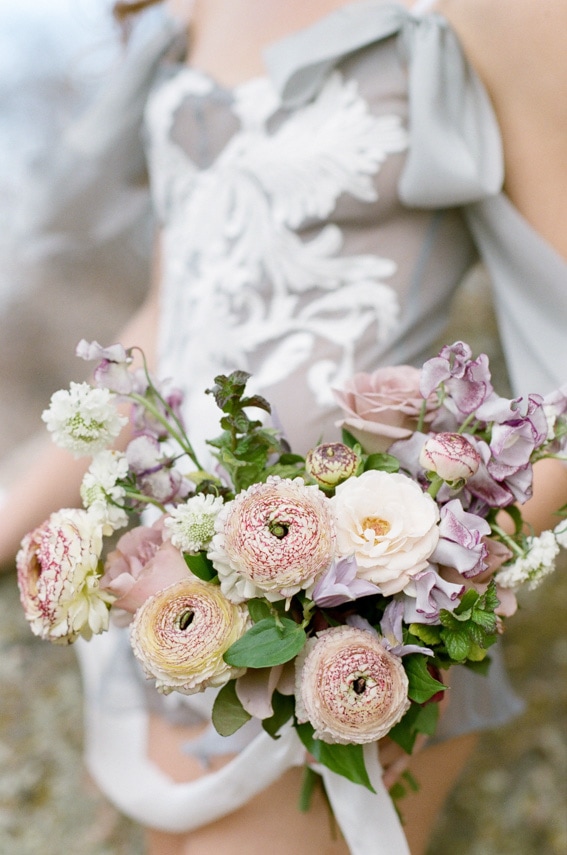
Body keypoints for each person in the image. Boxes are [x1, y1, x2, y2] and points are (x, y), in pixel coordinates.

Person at [1, 0, 567, 853]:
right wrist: (14, 518)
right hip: (169, 618)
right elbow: (169, 319)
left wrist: (410, 605)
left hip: (348, 639)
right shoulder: (192, 10)